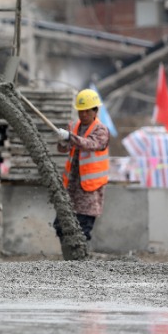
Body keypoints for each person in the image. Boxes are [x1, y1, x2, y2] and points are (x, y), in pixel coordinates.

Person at [53, 88, 110, 243]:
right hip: (71, 187)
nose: (83, 115)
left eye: (86, 111)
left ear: (95, 111)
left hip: (89, 191)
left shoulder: (101, 130)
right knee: (61, 226)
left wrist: (70, 137)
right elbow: (63, 149)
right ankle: (69, 261)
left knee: (82, 230)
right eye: (80, 112)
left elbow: (90, 144)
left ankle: (79, 263)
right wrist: (63, 141)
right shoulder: (74, 126)